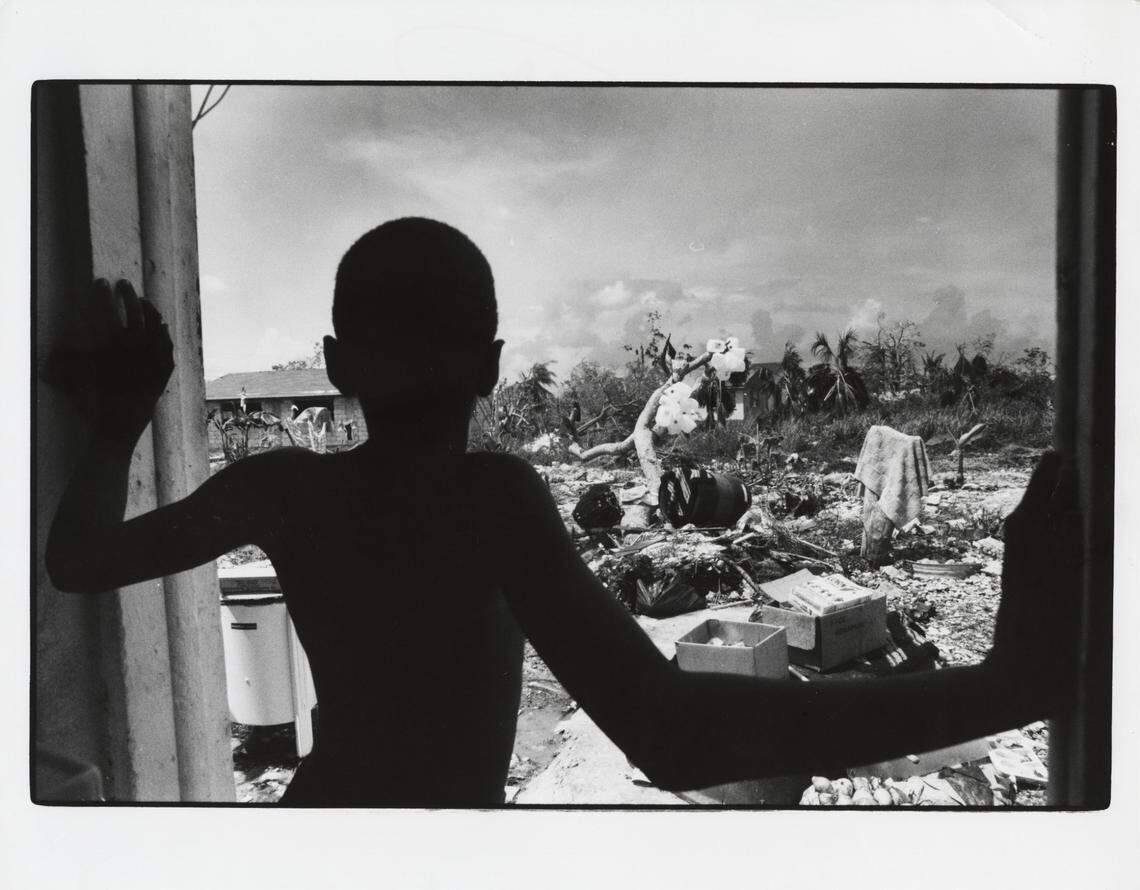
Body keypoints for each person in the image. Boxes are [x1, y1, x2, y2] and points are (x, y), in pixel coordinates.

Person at [46, 217, 1080, 806]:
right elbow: (671, 732)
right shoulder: (489, 497)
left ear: (336, 365)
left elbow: (79, 560)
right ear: (493, 367)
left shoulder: (280, 488)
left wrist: (122, 418)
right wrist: (1002, 685)